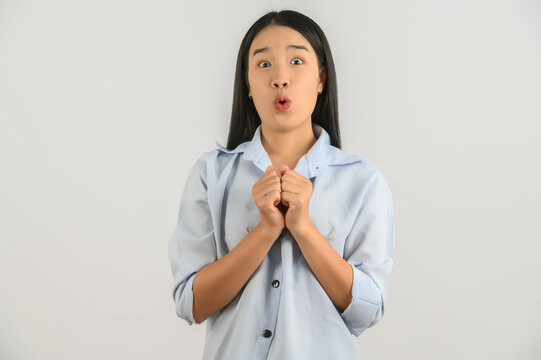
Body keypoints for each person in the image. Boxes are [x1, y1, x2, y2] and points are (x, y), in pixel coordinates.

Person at [168, 9, 395, 360]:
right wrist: (263, 232)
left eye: (296, 61)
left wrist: (303, 228)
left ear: (321, 79)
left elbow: (367, 310)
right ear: (247, 82)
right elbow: (191, 303)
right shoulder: (210, 174)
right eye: (263, 65)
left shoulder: (363, 182)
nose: (280, 78)